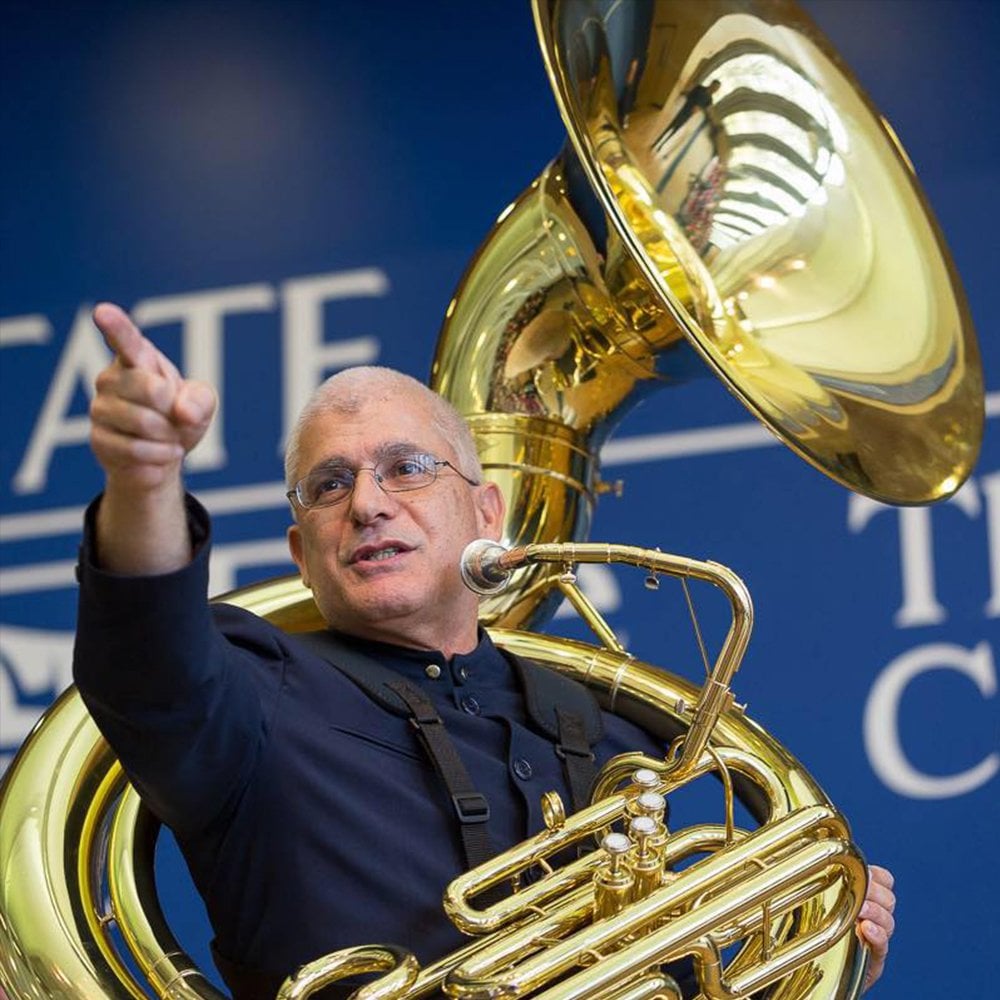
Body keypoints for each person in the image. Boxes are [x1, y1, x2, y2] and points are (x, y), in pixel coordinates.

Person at [74, 303, 896, 998]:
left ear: (487, 511)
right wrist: (144, 481)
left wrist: (829, 954)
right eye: (329, 485)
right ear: (301, 551)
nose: (367, 503)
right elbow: (147, 655)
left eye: (407, 468)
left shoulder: (608, 725)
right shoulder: (249, 691)